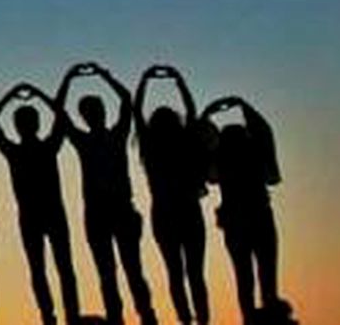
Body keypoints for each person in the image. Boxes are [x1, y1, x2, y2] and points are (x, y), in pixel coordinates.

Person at [59, 62, 156, 325]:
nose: (94, 114)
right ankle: (117, 318)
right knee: (108, 273)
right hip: (98, 213)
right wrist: (68, 79)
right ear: (86, 116)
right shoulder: (84, 141)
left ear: (102, 112)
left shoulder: (116, 135)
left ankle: (146, 315)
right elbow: (60, 112)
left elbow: (127, 100)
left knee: (133, 270)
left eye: (96, 110)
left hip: (121, 209)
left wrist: (105, 75)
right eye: (90, 112)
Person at [0, 82, 80, 325]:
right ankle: (55, 315)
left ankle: (61, 315)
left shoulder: (38, 149)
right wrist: (37, 94)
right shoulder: (32, 150)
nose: (26, 126)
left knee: (55, 268)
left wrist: (14, 93)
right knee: (50, 269)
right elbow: (60, 114)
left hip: (44, 215)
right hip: (36, 217)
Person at [202, 96, 290, 324]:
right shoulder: (254, 153)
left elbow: (201, 137)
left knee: (244, 276)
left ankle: (250, 318)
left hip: (236, 221)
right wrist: (242, 105)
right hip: (258, 216)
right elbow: (263, 131)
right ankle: (267, 313)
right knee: (266, 273)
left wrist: (207, 113)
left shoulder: (221, 158)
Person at [134, 66, 210, 325]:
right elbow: (191, 111)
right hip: (186, 211)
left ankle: (187, 320)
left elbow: (136, 112)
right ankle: (200, 321)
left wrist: (145, 80)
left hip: (166, 213)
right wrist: (178, 80)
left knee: (176, 273)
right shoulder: (184, 143)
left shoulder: (151, 146)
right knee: (194, 273)